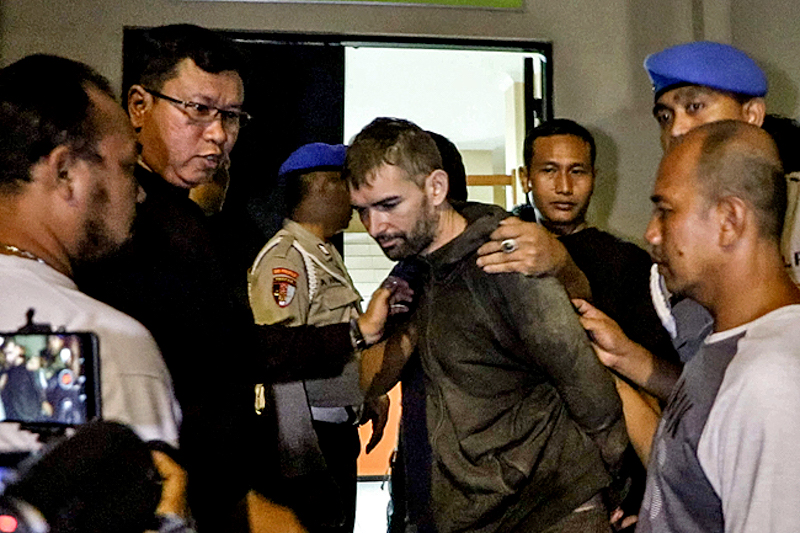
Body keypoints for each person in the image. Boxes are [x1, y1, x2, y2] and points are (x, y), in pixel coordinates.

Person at [75, 24, 390, 530]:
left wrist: (356, 332)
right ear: (138, 106)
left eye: (231, 116)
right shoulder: (117, 221)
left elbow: (233, 347)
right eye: (198, 110)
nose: (219, 134)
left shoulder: (193, 222)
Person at [349, 118, 627, 533]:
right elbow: (368, 379)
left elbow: (586, 383)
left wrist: (613, 487)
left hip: (552, 511)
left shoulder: (504, 258)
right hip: (473, 514)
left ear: (436, 188)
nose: (374, 227)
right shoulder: (419, 272)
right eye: (362, 211)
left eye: (389, 205)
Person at [578, 120, 800, 532]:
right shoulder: (730, 345)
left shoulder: (771, 380)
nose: (651, 233)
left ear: (729, 220)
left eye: (665, 211)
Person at [0, 55, 181, 451]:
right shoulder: (104, 344)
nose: (139, 193)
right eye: (127, 167)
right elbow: (153, 491)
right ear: (65, 172)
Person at [248, 143, 388, 533]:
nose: (357, 198)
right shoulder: (285, 260)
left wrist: (367, 393)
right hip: (312, 440)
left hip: (338, 431)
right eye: (350, 184)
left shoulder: (323, 254)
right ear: (324, 186)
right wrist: (301, 461)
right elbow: (280, 362)